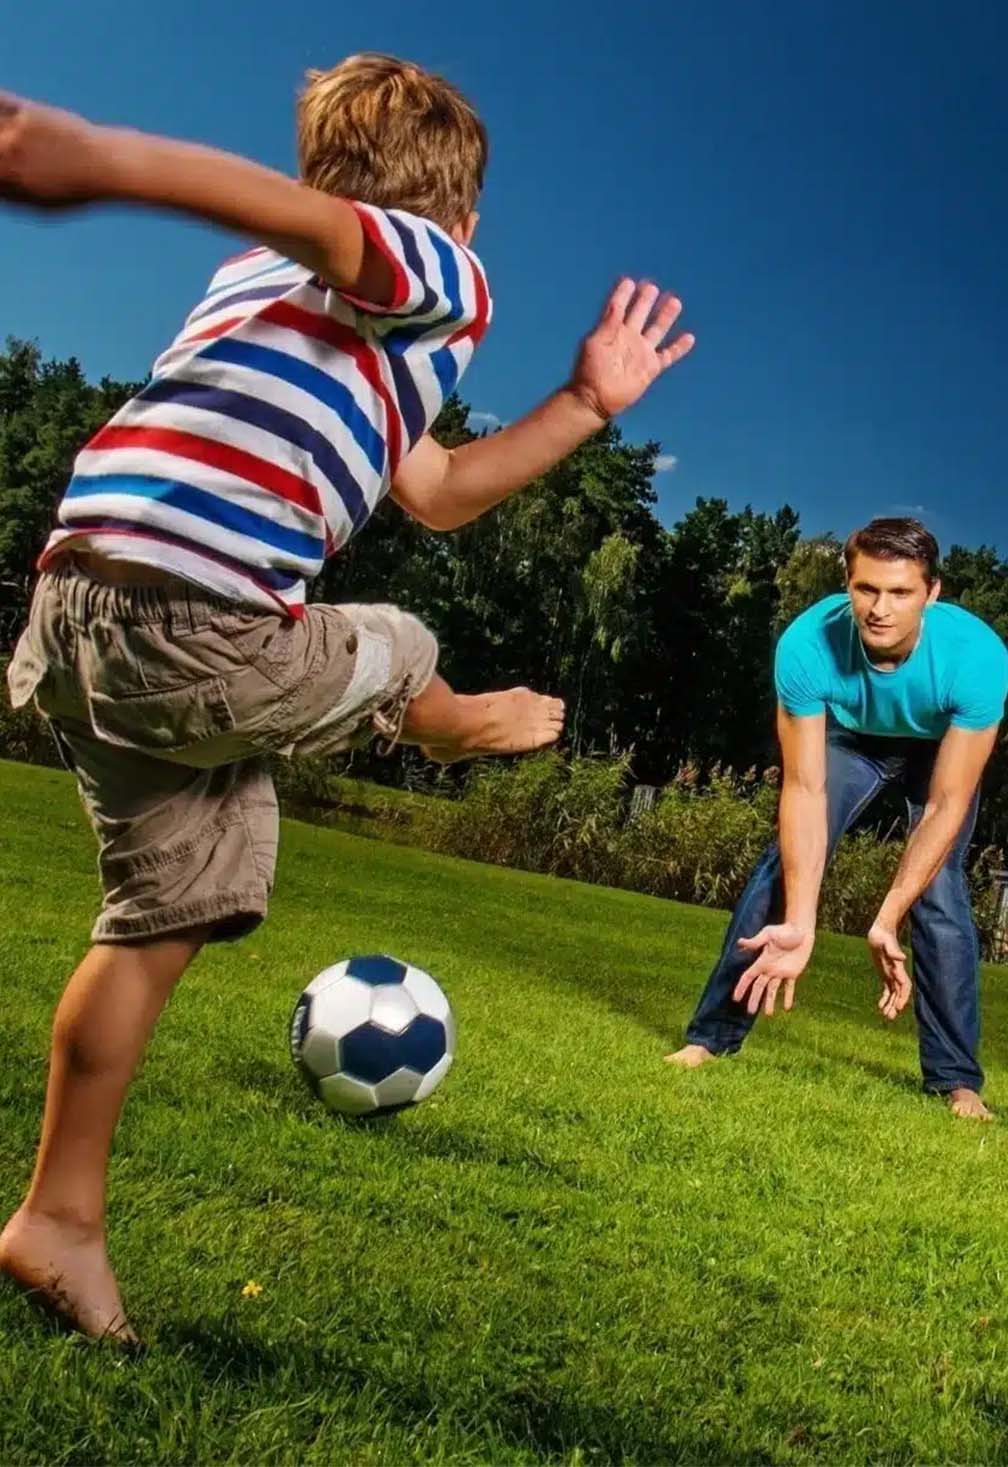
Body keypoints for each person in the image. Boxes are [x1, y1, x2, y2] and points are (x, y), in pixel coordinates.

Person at [0, 55, 694, 1340]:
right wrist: (93, 157)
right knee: (396, 635)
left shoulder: (276, 298)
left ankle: (58, 1219)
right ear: (461, 220)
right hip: (198, 626)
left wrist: (590, 403)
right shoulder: (441, 271)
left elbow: (431, 490)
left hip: (78, 615)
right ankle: (447, 716)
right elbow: (329, 226)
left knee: (171, 907)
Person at [666, 518, 1008, 1115]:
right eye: (866, 589)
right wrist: (802, 921)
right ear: (846, 584)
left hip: (935, 750)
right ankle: (711, 1037)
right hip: (850, 739)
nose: (880, 608)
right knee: (784, 867)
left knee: (940, 890)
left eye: (900, 593)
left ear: (932, 594)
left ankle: (957, 1080)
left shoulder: (978, 658)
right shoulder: (806, 644)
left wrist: (887, 917)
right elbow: (802, 787)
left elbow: (946, 803)